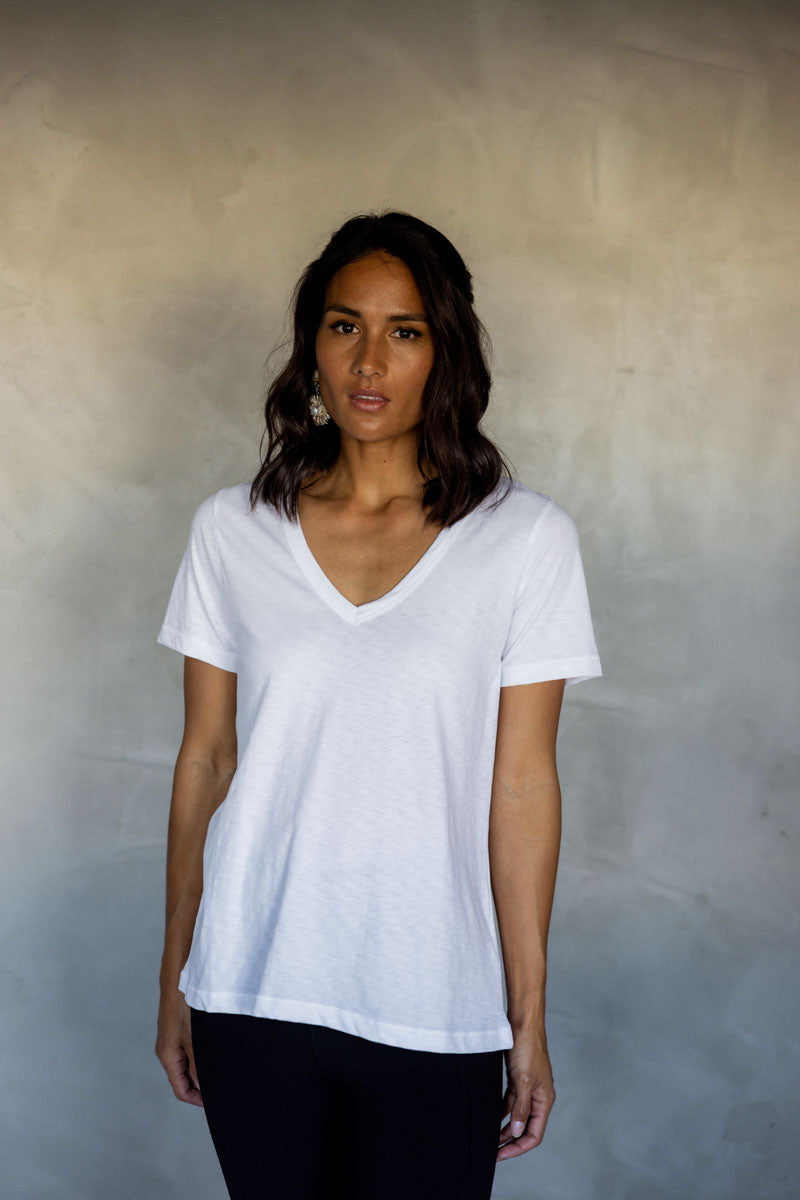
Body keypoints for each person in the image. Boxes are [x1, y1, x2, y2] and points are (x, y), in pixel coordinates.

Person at [154, 210, 602, 1200]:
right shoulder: (233, 528)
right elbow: (207, 760)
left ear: (447, 352)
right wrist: (177, 972)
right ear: (310, 345)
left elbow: (522, 786)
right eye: (342, 325)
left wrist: (527, 1015)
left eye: (405, 331)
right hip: (250, 988)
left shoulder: (524, 540)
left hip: (433, 1000)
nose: (368, 361)